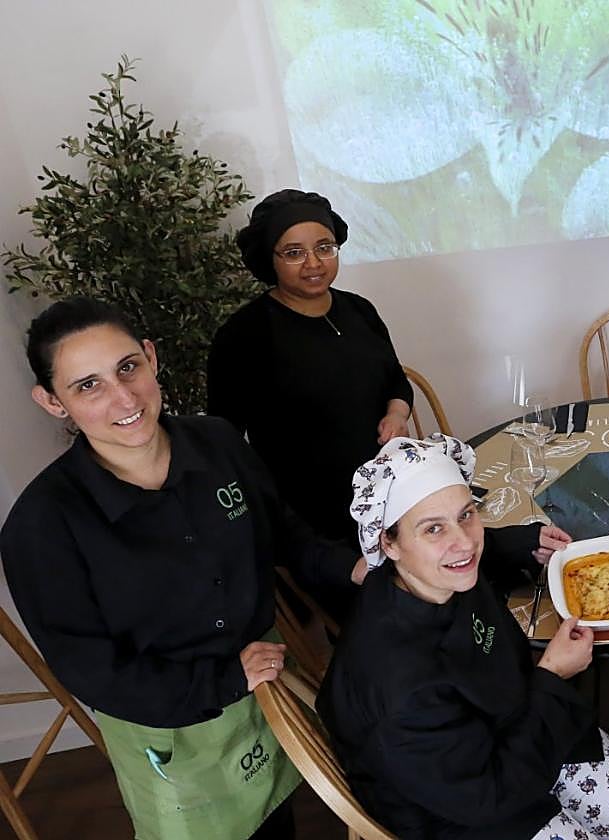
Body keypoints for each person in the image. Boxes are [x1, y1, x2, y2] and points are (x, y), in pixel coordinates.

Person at [0, 298, 367, 839]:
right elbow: (93, 672)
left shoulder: (217, 441)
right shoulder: (43, 526)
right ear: (52, 402)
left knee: (278, 822)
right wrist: (224, 680)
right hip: (170, 728)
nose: (123, 397)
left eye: (128, 367)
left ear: (150, 357)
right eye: (88, 385)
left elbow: (288, 537)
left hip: (267, 695)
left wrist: (359, 568)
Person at [318, 435, 609, 840]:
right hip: (466, 810)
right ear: (388, 542)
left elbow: (471, 553)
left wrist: (525, 542)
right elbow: (487, 797)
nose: (463, 542)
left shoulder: (428, 573)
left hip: (513, 724)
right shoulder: (401, 689)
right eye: (433, 528)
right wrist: (552, 676)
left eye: (467, 514)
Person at [207, 189, 414, 551]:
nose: (314, 263)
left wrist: (397, 413)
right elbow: (224, 439)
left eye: (324, 247)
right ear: (270, 259)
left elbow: (395, 379)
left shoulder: (360, 310)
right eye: (294, 253)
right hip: (315, 521)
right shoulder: (243, 335)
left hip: (391, 489)